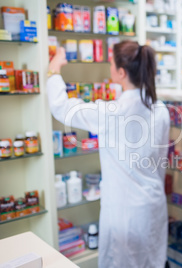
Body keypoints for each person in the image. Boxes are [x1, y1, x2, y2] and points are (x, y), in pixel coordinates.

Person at [47, 41, 170, 267]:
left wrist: (53, 70)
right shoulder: (160, 109)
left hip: (126, 214)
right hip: (153, 205)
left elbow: (62, 108)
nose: (109, 66)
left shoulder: (113, 113)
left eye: (112, 62)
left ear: (121, 72)